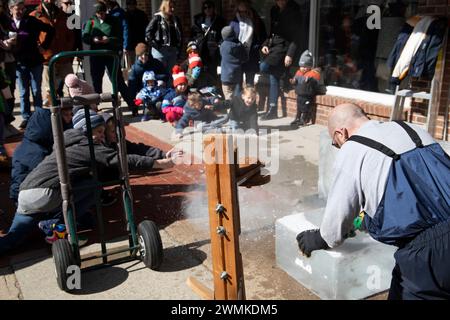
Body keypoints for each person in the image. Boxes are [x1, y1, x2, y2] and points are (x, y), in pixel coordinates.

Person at [296, 103, 450, 300]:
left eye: (336, 144)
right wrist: (364, 220)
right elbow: (422, 192)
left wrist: (319, 238)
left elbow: (336, 220)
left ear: (340, 133)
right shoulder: (412, 129)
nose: (339, 147)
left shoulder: (352, 148)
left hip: (428, 256)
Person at [0, 109, 181, 254]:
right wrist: (160, 164)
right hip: (43, 194)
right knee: (94, 185)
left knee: (13, 240)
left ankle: (49, 226)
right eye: (99, 132)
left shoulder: (66, 142)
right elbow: (123, 160)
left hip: (26, 195)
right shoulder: (88, 147)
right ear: (87, 130)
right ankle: (54, 224)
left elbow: (131, 149)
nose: (103, 136)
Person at [9, 106, 73, 205]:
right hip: (29, 198)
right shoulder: (39, 153)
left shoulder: (34, 142)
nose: (70, 118)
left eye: (70, 114)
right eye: (66, 115)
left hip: (26, 194)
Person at [8, 0, 55, 129]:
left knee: (36, 90)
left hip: (34, 61)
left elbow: (50, 30)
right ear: (11, 9)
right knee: (23, 92)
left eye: (23, 9)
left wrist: (44, 46)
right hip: (18, 62)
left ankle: (39, 116)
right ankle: (26, 117)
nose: (21, 11)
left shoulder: (31, 21)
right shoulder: (8, 23)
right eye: (18, 9)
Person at [81, 2, 135, 115]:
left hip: (110, 54)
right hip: (96, 55)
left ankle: (132, 104)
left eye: (102, 12)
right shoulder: (91, 21)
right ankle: (95, 106)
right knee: (96, 80)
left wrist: (109, 39)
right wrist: (93, 39)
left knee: (117, 79)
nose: (101, 15)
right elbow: (85, 36)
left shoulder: (113, 21)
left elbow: (119, 38)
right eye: (98, 13)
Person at [260, 0, 302, 120]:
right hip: (273, 45)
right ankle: (273, 110)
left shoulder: (294, 12)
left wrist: (290, 54)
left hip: (284, 47)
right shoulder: (274, 10)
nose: (280, 2)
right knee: (274, 76)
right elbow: (271, 30)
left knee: (264, 67)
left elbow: (296, 36)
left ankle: (284, 74)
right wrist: (266, 44)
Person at [30, 0, 75, 100]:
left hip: (64, 57)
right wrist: (39, 47)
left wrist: (68, 49)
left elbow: (70, 35)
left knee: (73, 85)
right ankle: (54, 112)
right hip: (47, 58)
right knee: (50, 89)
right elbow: (31, 36)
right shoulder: (34, 15)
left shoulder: (62, 14)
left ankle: (74, 111)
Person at [230, 0, 267, 87]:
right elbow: (229, 40)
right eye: (240, 12)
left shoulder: (256, 21)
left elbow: (263, 37)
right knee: (237, 85)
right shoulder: (234, 23)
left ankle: (251, 101)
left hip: (252, 56)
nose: (243, 14)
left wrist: (261, 45)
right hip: (238, 58)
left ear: (249, 10)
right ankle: (238, 101)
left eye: (245, 11)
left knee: (250, 84)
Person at [191, 0, 225, 86]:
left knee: (212, 70)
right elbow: (193, 33)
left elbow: (222, 34)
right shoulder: (198, 20)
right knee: (200, 69)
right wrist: (194, 43)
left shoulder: (219, 20)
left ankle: (212, 89)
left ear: (213, 8)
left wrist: (219, 44)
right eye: (205, 8)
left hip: (213, 48)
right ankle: (202, 89)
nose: (207, 9)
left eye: (209, 7)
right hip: (201, 48)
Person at [145, 0, 182, 71]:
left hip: (172, 50)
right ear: (165, 6)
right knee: (160, 75)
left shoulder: (176, 20)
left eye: (174, 7)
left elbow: (180, 36)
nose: (173, 9)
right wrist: (157, 46)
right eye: (170, 7)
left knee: (171, 76)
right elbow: (148, 34)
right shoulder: (158, 18)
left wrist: (178, 50)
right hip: (160, 51)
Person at [289, 50, 321, 128]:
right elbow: (295, 80)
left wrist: (310, 80)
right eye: (301, 66)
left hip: (307, 95)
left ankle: (304, 119)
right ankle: (297, 118)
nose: (302, 68)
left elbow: (316, 82)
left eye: (305, 67)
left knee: (305, 107)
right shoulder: (298, 72)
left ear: (309, 66)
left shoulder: (313, 73)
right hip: (299, 93)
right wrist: (293, 81)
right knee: (299, 107)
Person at [219, 26, 248, 100]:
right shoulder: (239, 45)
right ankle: (237, 110)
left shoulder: (223, 45)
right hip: (237, 75)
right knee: (237, 96)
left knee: (228, 96)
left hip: (226, 76)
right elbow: (245, 58)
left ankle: (231, 111)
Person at [124, 0, 148, 65]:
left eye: (133, 4)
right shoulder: (125, 15)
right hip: (130, 44)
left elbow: (146, 28)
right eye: (129, 4)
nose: (131, 6)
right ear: (127, 5)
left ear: (135, 5)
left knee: (142, 62)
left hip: (140, 42)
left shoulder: (142, 14)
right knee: (131, 64)